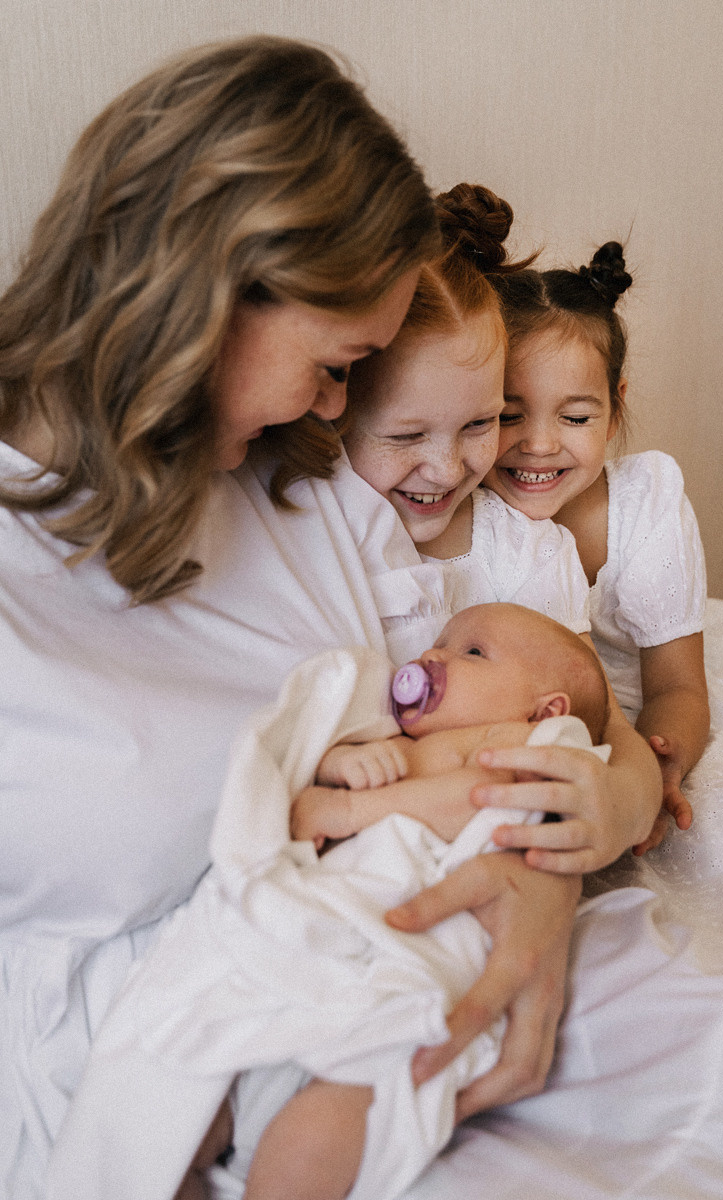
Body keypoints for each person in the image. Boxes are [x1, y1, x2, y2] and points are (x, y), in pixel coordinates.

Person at [0, 43, 660, 1200]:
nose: (332, 407)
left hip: (369, 1014)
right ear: (206, 292)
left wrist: (571, 846)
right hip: (131, 1085)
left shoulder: (303, 487)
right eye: (332, 364)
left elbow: (535, 717)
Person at [48, 604, 612, 1200]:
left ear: (546, 709)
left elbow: (486, 799)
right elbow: (311, 783)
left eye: (472, 652)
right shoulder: (383, 735)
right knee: (169, 1117)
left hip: (385, 986)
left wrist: (351, 808)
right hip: (298, 954)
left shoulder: (527, 743)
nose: (434, 656)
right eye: (440, 641)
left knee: (317, 1137)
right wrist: (339, 763)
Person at [342, 187, 661, 872]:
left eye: (482, 423)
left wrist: (630, 797)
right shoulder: (325, 530)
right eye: (406, 434)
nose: (448, 466)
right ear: (334, 409)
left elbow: (595, 718)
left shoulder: (528, 549)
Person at [485, 243, 711, 854]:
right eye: (508, 414)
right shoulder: (462, 511)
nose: (538, 444)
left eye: (576, 418)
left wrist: (661, 762)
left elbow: (679, 686)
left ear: (614, 412)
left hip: (627, 711)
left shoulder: (645, 505)